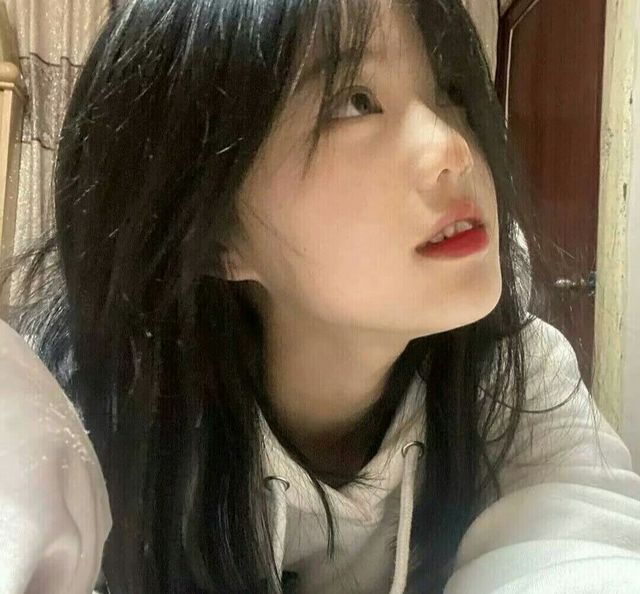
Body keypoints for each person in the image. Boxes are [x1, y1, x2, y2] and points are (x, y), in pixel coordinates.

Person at [0, 0, 639, 593]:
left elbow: (582, 544)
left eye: (448, 88)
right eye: (355, 102)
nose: (454, 150)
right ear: (212, 229)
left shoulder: (509, 375)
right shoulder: (89, 416)